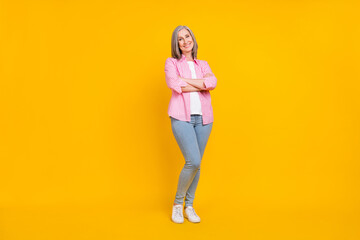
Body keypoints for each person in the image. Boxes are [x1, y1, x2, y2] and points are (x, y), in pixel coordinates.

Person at [164, 25, 217, 224]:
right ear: (176, 44)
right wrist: (199, 83)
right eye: (180, 39)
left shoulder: (203, 64)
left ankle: (189, 206)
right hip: (181, 117)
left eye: (187, 36)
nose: (185, 41)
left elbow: (212, 83)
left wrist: (186, 81)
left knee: (198, 165)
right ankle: (178, 204)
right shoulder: (171, 63)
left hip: (204, 118)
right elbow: (173, 84)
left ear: (192, 38)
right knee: (192, 161)